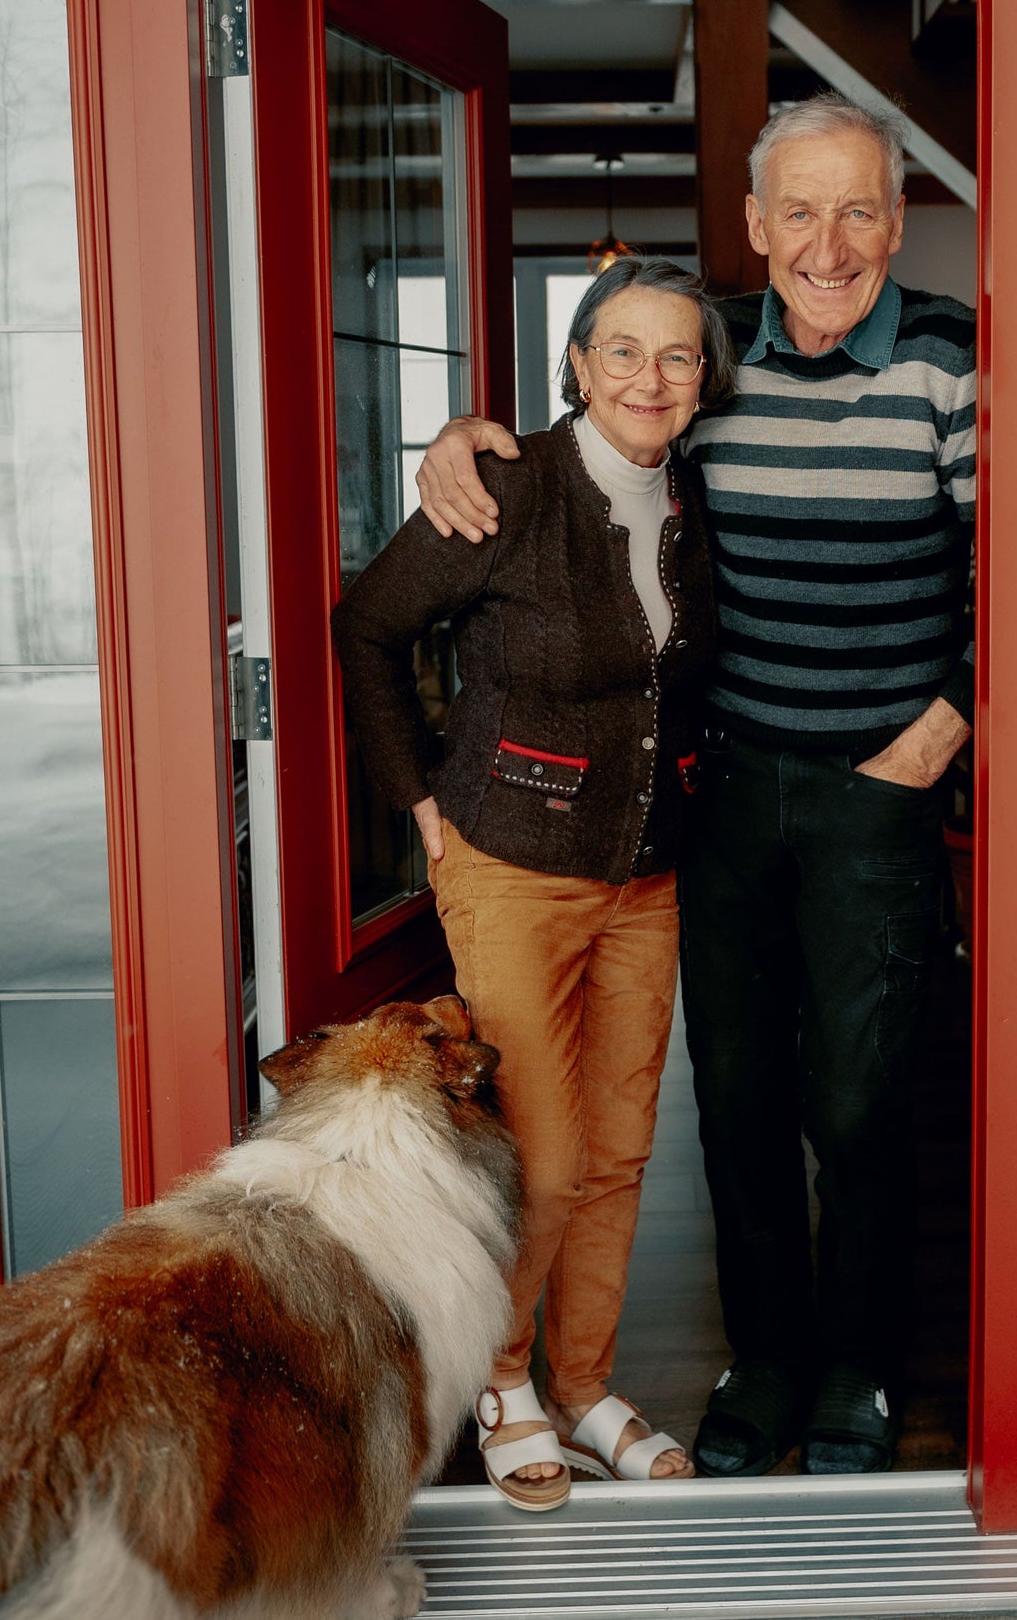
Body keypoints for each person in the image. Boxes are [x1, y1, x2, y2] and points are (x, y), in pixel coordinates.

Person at [415, 93, 976, 1480]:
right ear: (752, 226)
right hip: (720, 794)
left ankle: (857, 1367)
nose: (828, 244)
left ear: (900, 224)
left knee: (856, 1102)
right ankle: (766, 1362)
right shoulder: (711, 360)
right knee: (733, 1101)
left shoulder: (953, 365)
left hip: (875, 795)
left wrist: (938, 732)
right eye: (799, 210)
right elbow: (606, 420)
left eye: (859, 210)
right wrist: (462, 432)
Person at [331, 256, 737, 1512]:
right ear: (575, 363)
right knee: (546, 1163)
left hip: (648, 875)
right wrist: (418, 796)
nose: (650, 377)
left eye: (677, 355)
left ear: (704, 377)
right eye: (623, 350)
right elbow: (369, 627)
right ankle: (502, 1380)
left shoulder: (691, 494)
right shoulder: (504, 486)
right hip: (514, 865)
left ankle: (588, 1383)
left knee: (621, 1152)